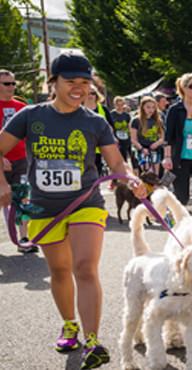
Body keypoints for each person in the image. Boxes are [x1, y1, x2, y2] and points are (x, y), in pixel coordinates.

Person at [0, 52, 146, 369]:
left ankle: (93, 342)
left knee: (84, 267)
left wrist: (130, 178)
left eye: (84, 82)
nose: (78, 88)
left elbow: (116, 163)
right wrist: (2, 184)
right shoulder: (30, 116)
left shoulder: (95, 121)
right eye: (70, 82)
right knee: (61, 271)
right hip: (43, 207)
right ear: (53, 82)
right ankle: (70, 325)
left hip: (86, 203)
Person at [162, 73, 192, 214]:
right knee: (182, 196)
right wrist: (167, 157)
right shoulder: (175, 110)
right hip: (181, 159)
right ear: (183, 88)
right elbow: (168, 136)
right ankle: (178, 221)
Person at [0, 69, 37, 253]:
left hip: (22, 160)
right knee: (2, 198)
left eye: (14, 83)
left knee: (23, 197)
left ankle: (24, 238)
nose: (12, 87)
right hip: (1, 162)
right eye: (7, 83)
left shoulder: (21, 107)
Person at [83, 86, 114, 177]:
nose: (90, 96)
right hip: (84, 144)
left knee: (98, 167)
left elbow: (111, 126)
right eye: (88, 93)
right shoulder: (78, 109)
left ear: (96, 95)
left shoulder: (103, 109)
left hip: (100, 144)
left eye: (93, 93)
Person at [130, 96, 165, 174]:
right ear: (142, 107)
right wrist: (142, 149)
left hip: (155, 150)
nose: (151, 110)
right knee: (145, 174)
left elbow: (162, 137)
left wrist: (157, 143)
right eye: (148, 107)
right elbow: (133, 139)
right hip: (142, 150)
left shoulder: (158, 120)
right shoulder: (136, 120)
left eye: (153, 107)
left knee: (155, 175)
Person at [110, 96, 132, 163]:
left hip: (126, 137)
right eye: (118, 105)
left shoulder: (126, 115)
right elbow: (110, 126)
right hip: (117, 138)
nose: (120, 106)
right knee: (121, 156)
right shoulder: (112, 114)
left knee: (130, 155)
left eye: (121, 104)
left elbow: (129, 126)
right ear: (115, 105)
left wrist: (131, 137)